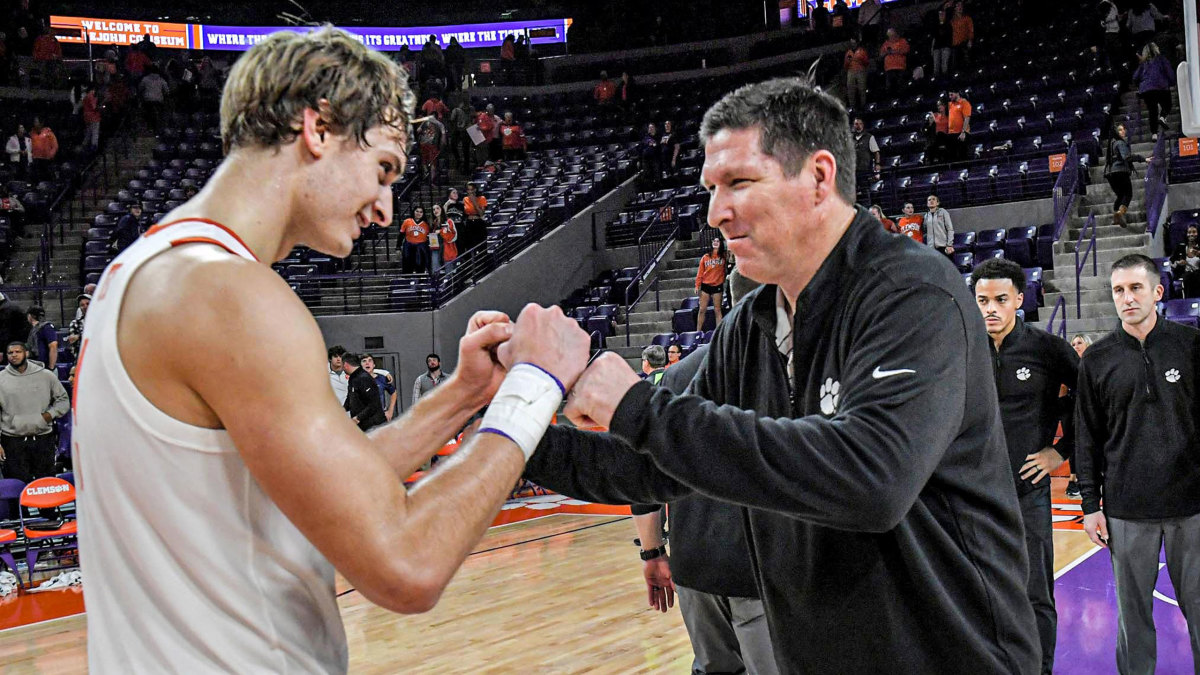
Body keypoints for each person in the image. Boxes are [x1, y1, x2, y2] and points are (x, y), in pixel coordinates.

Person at [71, 27, 593, 672]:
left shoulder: (148, 270)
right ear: (318, 130)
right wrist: (534, 385)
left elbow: (315, 491)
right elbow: (407, 566)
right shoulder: (228, 294)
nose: (384, 208)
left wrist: (464, 396)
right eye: (383, 170)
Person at [523, 77, 1039, 673]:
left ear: (819, 177)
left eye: (739, 183)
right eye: (711, 188)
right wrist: (504, 421)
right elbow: (643, 468)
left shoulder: (912, 292)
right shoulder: (750, 326)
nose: (715, 212)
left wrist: (640, 408)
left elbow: (872, 479)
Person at [630, 269, 779, 675]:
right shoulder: (781, 372)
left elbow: (639, 474)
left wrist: (652, 551)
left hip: (694, 563)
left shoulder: (675, 376)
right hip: (758, 567)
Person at [1076, 254, 1200, 675]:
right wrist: (1090, 504)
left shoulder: (1191, 346)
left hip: (1191, 506)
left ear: (1157, 292)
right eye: (1118, 291)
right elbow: (1086, 435)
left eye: (1135, 288)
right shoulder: (1096, 359)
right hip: (1127, 510)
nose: (1126, 298)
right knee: (1132, 622)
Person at [971, 258, 1079, 675]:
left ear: (1019, 298)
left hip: (1028, 493)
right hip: (973, 496)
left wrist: (1060, 451)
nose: (990, 309)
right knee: (978, 594)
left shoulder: (1046, 348)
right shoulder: (962, 346)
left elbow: (1088, 400)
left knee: (1035, 596)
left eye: (1000, 299)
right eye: (982, 300)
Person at [0, 342, 70, 482]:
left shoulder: (46, 376)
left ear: (26, 353)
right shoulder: (1, 378)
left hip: (43, 438)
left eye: (18, 351)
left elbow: (63, 400)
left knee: (46, 486)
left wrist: (49, 415)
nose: (14, 355)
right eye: (10, 353)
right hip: (12, 441)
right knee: (17, 488)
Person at [1064, 333, 1093, 500]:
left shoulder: (1093, 364)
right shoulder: (1068, 364)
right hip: (1070, 406)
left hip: (1089, 407)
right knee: (1073, 441)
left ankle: (1089, 479)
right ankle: (1073, 478)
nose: (1075, 346)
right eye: (1073, 343)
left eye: (1079, 343)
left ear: (1087, 345)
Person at [1104, 123, 1145, 227]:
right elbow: (1126, 157)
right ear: (1116, 132)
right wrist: (1142, 158)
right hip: (1121, 171)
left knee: (1120, 195)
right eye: (1120, 130)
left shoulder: (1112, 144)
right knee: (1128, 194)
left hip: (1112, 173)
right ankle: (1119, 214)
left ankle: (1115, 217)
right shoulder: (1120, 143)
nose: (1123, 131)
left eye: (1123, 129)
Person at [1132, 42, 1174, 141]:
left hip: (1147, 90)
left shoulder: (1143, 64)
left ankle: (1154, 133)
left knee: (1152, 110)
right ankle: (1162, 117)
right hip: (1161, 87)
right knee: (1168, 104)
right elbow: (1170, 72)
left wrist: (1139, 86)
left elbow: (1135, 77)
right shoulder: (1161, 59)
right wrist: (1172, 82)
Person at [341, 352, 386, 432]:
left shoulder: (363, 378)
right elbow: (350, 398)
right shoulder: (353, 378)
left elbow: (374, 403)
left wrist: (358, 417)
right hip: (362, 426)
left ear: (345, 365)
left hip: (374, 426)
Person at [694, 236, 729, 333]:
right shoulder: (705, 257)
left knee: (717, 310)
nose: (716, 242)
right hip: (705, 285)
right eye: (714, 241)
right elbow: (700, 273)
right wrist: (697, 285)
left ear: (721, 243)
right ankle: (698, 332)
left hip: (717, 286)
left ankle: (719, 332)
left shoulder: (724, 256)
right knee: (702, 309)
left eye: (718, 241)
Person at [361, 354, 397, 421]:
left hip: (380, 416)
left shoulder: (381, 378)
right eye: (364, 361)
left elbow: (393, 392)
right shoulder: (356, 380)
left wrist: (390, 410)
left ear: (374, 365)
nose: (367, 363)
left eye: (370, 361)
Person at [1171, 224, 1200, 297]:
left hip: (1198, 274)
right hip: (1186, 276)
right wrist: (1178, 263)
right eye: (1189, 232)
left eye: (1194, 232)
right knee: (1188, 277)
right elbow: (1172, 262)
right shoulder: (1180, 247)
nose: (1191, 234)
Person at [400, 206, 431, 274]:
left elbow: (429, 237)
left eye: (421, 212)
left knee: (420, 264)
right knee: (407, 264)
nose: (418, 213)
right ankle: (407, 281)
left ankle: (420, 280)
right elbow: (401, 234)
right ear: (413, 211)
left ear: (423, 214)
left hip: (421, 246)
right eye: (417, 211)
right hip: (408, 245)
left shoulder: (426, 224)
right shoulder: (407, 221)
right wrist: (397, 247)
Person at [416, 116, 445, 187]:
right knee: (432, 163)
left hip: (424, 144)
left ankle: (427, 178)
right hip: (432, 145)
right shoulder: (440, 124)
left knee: (424, 162)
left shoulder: (425, 122)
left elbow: (418, 130)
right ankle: (431, 181)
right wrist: (442, 145)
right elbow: (443, 138)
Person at [880, 28, 911, 94]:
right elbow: (881, 54)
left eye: (893, 35)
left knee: (900, 86)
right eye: (890, 36)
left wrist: (895, 51)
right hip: (889, 68)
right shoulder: (885, 44)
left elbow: (906, 50)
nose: (892, 37)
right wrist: (887, 52)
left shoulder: (902, 41)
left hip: (900, 67)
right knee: (890, 87)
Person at [461, 183, 488, 258]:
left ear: (475, 190)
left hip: (478, 223)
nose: (470, 192)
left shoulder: (481, 198)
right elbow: (465, 212)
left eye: (471, 189)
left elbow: (481, 213)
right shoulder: (465, 199)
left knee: (481, 245)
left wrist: (474, 202)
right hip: (469, 223)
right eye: (468, 190)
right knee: (469, 245)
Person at [25, 306, 56, 370]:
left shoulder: (47, 327)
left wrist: (51, 367)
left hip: (44, 366)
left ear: (31, 316)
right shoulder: (32, 329)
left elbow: (53, 345)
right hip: (35, 365)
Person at [844, 36, 870, 112]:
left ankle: (863, 105)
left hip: (860, 70)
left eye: (854, 43)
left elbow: (866, 62)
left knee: (862, 89)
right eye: (851, 43)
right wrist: (848, 61)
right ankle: (852, 107)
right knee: (850, 90)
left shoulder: (862, 51)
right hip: (851, 71)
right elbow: (845, 65)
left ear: (857, 43)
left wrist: (859, 60)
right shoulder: (848, 52)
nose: (853, 44)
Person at [947, 88, 972, 161]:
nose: (950, 97)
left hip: (961, 133)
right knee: (953, 157)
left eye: (951, 94)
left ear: (957, 93)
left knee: (963, 155)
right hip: (951, 133)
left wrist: (963, 132)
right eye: (949, 95)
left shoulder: (964, 102)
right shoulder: (950, 104)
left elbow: (967, 118)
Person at [29, 117, 57, 182]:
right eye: (34, 122)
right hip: (35, 160)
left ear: (41, 123)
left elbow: (55, 146)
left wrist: (51, 155)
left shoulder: (49, 133)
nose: (34, 123)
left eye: (36, 122)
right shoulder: (31, 134)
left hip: (46, 160)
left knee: (46, 177)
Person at [950, 2, 974, 71]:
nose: (960, 7)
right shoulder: (952, 21)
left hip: (964, 43)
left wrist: (970, 40)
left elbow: (971, 30)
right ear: (955, 8)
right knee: (955, 65)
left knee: (966, 62)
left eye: (961, 5)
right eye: (958, 6)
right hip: (955, 45)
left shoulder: (967, 18)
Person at [925, 99, 950, 164]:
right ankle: (932, 158)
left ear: (945, 106)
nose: (939, 107)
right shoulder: (935, 115)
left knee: (940, 134)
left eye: (940, 105)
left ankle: (933, 155)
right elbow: (928, 128)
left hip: (945, 137)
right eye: (938, 105)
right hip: (935, 138)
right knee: (933, 135)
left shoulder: (948, 117)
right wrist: (930, 123)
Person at [435, 203, 458, 272]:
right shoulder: (434, 222)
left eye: (437, 208)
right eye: (433, 209)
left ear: (442, 209)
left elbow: (453, 237)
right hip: (436, 251)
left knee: (449, 274)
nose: (435, 210)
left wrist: (441, 231)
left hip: (448, 251)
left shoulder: (449, 221)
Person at [931, 9, 953, 79]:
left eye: (943, 14)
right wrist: (932, 48)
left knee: (944, 65)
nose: (941, 15)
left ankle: (945, 80)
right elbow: (934, 38)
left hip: (946, 47)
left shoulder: (948, 24)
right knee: (936, 66)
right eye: (940, 14)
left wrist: (949, 47)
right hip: (937, 47)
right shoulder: (935, 25)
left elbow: (950, 36)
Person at [66, 294, 90, 359]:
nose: (85, 306)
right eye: (82, 305)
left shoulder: (101, 321)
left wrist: (79, 336)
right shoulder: (75, 323)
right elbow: (72, 339)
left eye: (88, 304)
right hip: (83, 358)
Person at [81, 84, 102, 151]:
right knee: (95, 132)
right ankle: (94, 146)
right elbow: (94, 107)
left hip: (87, 116)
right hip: (94, 117)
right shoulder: (91, 96)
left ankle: (84, 145)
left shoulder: (85, 97)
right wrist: (101, 107)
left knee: (88, 132)